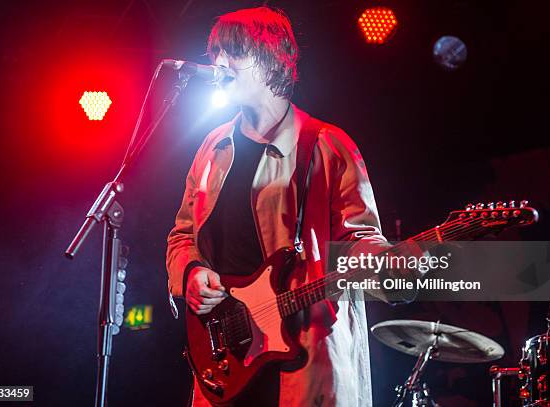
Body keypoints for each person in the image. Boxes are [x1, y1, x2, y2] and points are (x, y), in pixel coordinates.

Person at [166, 6, 388, 406]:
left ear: (271, 58)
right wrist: (191, 274)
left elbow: (361, 239)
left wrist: (390, 262)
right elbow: (183, 236)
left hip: (301, 360)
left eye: (233, 51)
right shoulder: (212, 147)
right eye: (215, 51)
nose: (219, 62)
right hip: (227, 362)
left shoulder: (326, 145)